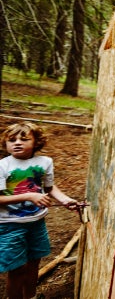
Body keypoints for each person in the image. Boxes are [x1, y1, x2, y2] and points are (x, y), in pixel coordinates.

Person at [1, 122, 78, 299]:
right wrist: (29, 196)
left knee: (33, 264)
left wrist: (65, 200)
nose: (17, 143)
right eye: (12, 140)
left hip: (37, 223)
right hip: (10, 226)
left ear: (36, 142)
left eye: (24, 139)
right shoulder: (3, 166)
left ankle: (31, 296)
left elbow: (49, 188)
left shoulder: (45, 162)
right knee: (17, 269)